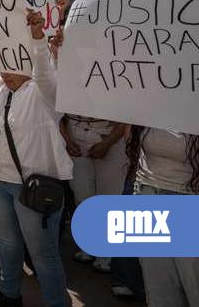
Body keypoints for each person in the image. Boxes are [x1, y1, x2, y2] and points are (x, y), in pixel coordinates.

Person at [0, 11, 72, 307]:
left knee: (43, 255)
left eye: (13, 68)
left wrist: (37, 39)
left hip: (33, 187)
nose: (5, 73)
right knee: (7, 243)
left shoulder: (46, 93)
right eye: (2, 67)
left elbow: (46, 73)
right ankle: (9, 294)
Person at [127, 126, 199, 307]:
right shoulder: (151, 105)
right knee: (158, 285)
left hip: (189, 202)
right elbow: (130, 141)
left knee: (194, 283)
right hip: (149, 196)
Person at [61, 113, 128, 272]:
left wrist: (108, 143)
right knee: (82, 194)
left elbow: (128, 114)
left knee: (110, 197)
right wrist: (67, 140)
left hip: (111, 135)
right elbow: (54, 112)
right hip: (74, 134)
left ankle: (108, 254)